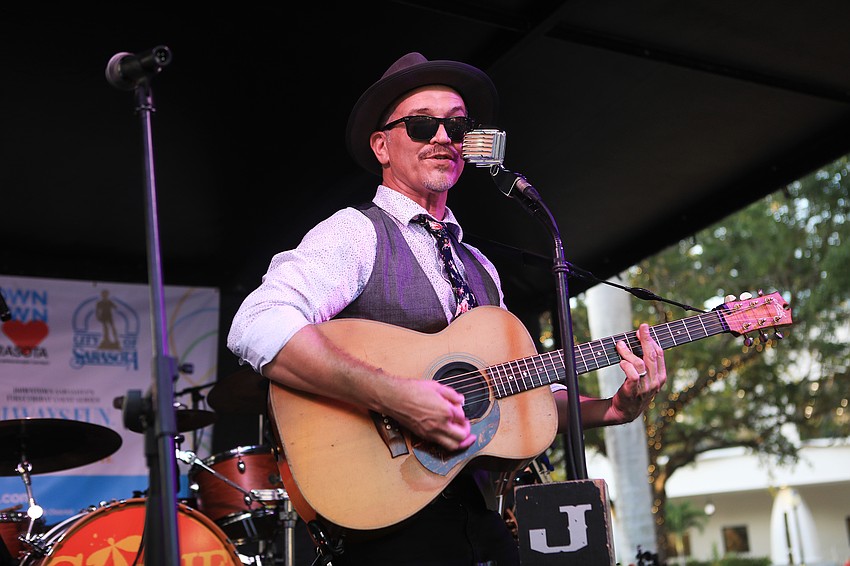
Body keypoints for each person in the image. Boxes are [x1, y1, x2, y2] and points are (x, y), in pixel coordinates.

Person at [227, 52, 667, 566]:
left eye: (456, 126)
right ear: (381, 146)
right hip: (390, 517)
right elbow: (256, 323)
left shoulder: (478, 265)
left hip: (480, 516)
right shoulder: (356, 233)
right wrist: (394, 395)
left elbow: (519, 393)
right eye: (420, 124)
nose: (442, 137)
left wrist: (611, 410)